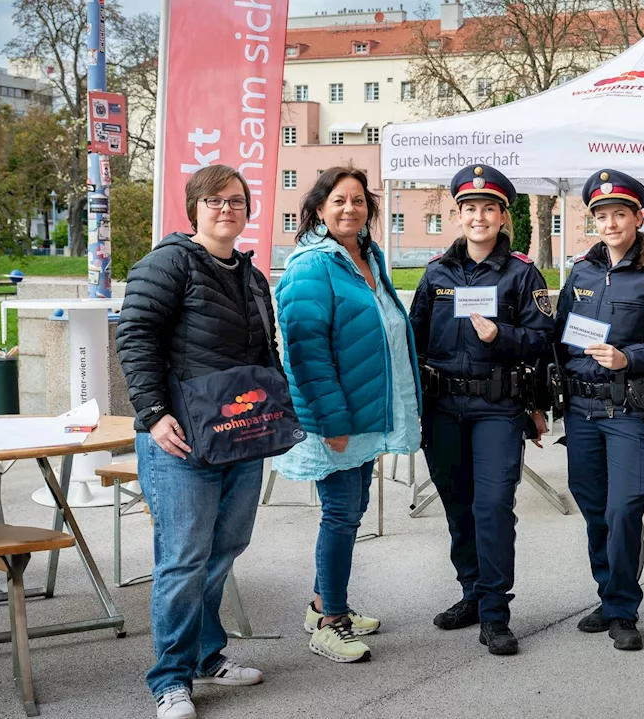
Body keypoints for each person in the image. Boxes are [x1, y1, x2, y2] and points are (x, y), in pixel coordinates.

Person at [117, 165, 282, 719]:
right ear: (194, 207)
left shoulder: (251, 274)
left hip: (240, 435)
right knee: (183, 560)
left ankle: (207, 654)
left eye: (236, 201)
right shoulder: (169, 263)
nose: (226, 209)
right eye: (214, 201)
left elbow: (265, 350)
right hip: (180, 441)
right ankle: (169, 678)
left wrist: (277, 410)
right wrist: (153, 413)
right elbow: (134, 333)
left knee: (224, 549)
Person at [273, 167, 422, 663]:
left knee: (350, 512)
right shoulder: (312, 266)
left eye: (358, 201)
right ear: (318, 208)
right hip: (335, 417)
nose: (349, 209)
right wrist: (331, 421)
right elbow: (305, 351)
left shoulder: (366, 257)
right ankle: (330, 621)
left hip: (362, 412)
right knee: (340, 515)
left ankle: (324, 604)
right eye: (338, 200)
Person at [408, 164, 554, 656]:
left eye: (488, 208)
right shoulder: (436, 273)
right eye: (469, 208)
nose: (478, 216)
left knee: (492, 507)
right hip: (444, 408)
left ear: (502, 215)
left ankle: (495, 612)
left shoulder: (521, 272)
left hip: (496, 407)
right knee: (457, 505)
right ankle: (471, 591)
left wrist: (503, 335)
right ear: (458, 215)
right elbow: (415, 342)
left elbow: (543, 339)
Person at [553, 169, 644, 651]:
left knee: (625, 507)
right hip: (582, 410)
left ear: (637, 216)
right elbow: (562, 335)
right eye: (602, 215)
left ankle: (624, 610)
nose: (610, 224)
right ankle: (609, 595)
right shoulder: (582, 271)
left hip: (629, 410)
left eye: (619, 214)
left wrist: (631, 357)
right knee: (594, 509)